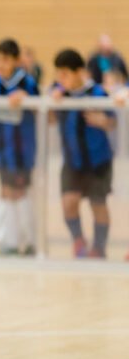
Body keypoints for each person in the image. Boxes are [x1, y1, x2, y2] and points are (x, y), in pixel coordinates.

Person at [51, 49, 115, 259]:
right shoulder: (60, 94)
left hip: (98, 162)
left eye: (65, 74)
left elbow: (113, 121)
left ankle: (99, 247)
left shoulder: (97, 93)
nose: (61, 79)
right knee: (69, 202)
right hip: (72, 162)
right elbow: (49, 119)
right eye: (58, 74)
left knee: (98, 204)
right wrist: (53, 104)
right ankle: (78, 240)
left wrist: (103, 121)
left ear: (79, 72)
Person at [0, 39, 39, 256]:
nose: (0, 64)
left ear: (16, 61)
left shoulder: (26, 81)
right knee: (6, 191)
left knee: (19, 192)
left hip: (21, 148)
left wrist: (26, 98)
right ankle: (10, 242)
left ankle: (31, 240)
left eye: (6, 59)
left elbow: (37, 105)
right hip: (1, 146)